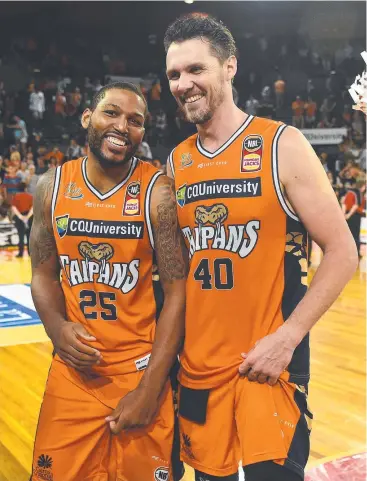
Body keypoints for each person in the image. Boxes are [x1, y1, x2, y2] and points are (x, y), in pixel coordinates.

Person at [164, 13, 358, 481]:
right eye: (173, 74)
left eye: (196, 69)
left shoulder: (280, 144)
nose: (183, 84)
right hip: (198, 370)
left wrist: (287, 339)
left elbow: (342, 252)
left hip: (267, 366)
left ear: (229, 66)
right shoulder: (176, 162)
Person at [29, 81, 187, 481]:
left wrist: (151, 390)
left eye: (135, 121)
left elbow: (177, 293)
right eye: (111, 113)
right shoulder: (53, 186)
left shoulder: (158, 191)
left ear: (142, 134)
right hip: (73, 373)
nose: (122, 126)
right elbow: (43, 274)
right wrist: (56, 327)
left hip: (139, 371)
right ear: (87, 118)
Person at [11, 182, 33, 257]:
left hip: (19, 218)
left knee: (21, 236)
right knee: (29, 236)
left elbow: (14, 208)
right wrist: (27, 217)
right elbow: (33, 208)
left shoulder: (15, 197)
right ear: (25, 188)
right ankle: (30, 253)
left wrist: (20, 216)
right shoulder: (30, 196)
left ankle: (21, 253)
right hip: (29, 218)